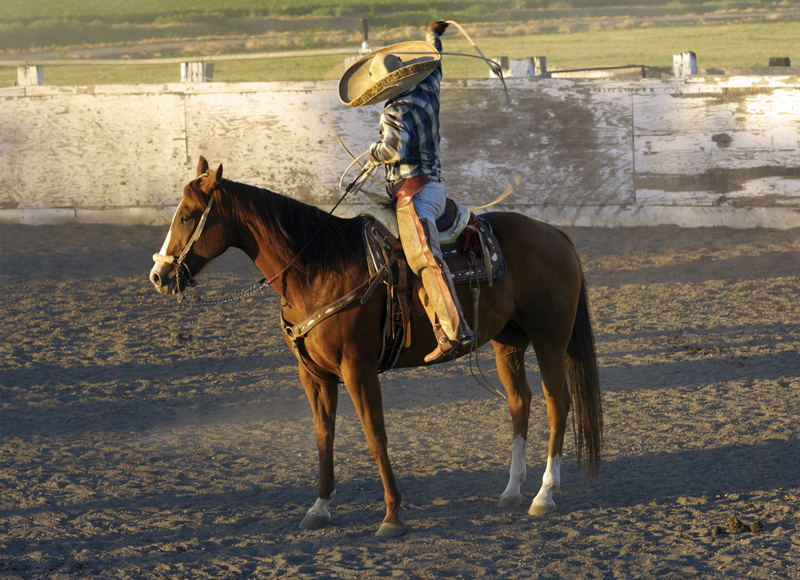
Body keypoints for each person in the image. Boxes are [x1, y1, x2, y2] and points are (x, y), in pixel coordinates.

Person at [339, 21, 474, 363]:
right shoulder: (427, 86)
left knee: (425, 258)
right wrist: (433, 37)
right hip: (433, 186)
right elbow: (437, 64)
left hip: (413, 193)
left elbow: (393, 149)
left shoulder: (395, 111)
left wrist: (373, 152)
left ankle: (455, 330)